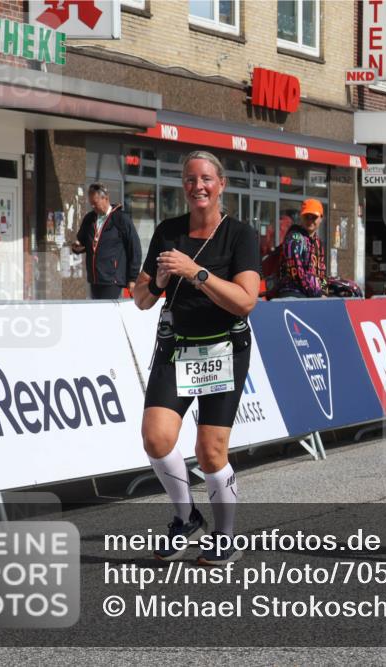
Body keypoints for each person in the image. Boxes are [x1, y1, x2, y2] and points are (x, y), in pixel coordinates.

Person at [133, 151, 261, 565]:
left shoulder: (239, 235)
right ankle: (186, 517)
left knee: (210, 451)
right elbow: (140, 299)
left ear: (221, 185)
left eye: (206, 179)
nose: (198, 186)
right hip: (177, 348)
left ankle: (224, 535)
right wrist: (161, 281)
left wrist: (196, 273)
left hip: (225, 348)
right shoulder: (168, 232)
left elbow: (245, 302)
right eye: (190, 179)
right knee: (156, 437)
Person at [72, 183, 142, 299]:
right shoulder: (89, 219)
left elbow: (134, 248)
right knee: (97, 314)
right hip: (95, 278)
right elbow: (82, 241)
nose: (93, 207)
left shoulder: (121, 218)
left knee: (108, 313)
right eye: (91, 204)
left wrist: (132, 278)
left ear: (106, 198)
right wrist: (77, 248)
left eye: (95, 203)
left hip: (112, 279)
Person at [277, 199, 327, 298]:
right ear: (301, 217)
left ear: (321, 218)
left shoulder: (318, 243)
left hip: (311, 294)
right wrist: (318, 293)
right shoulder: (294, 238)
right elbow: (296, 271)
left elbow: (322, 272)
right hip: (292, 293)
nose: (310, 220)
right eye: (306, 216)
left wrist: (323, 291)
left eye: (314, 217)